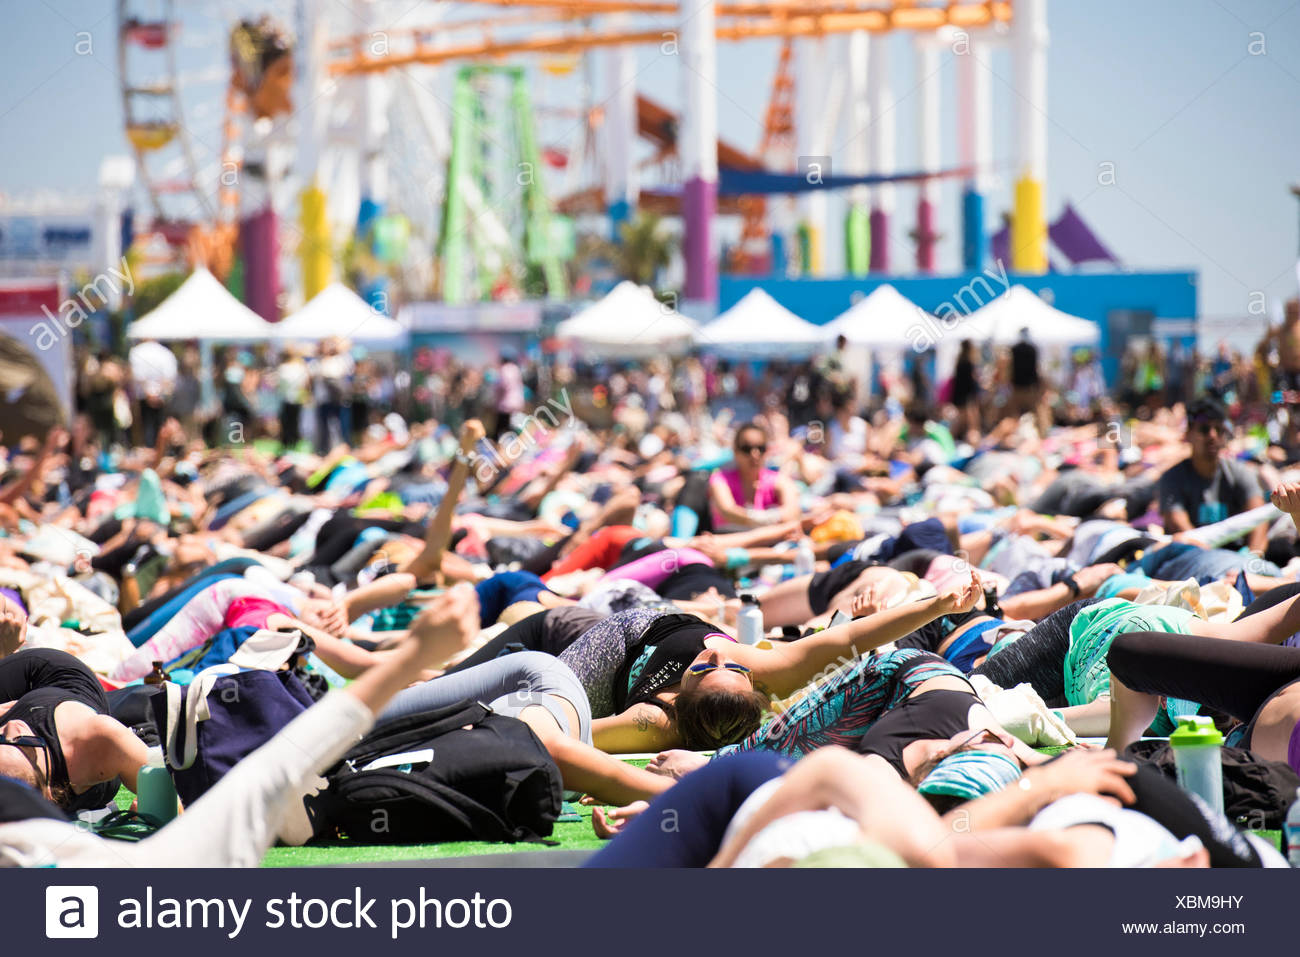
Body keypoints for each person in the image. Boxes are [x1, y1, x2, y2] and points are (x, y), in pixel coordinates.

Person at [1156, 396, 1268, 552]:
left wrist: (1254, 560)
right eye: (1204, 429)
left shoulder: (1241, 473)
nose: (1213, 436)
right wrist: (1213, 559)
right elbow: (1181, 528)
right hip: (1191, 555)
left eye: (1219, 430)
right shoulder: (1172, 478)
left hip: (1235, 555)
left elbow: (1259, 519)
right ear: (1188, 434)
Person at [708, 422, 801, 530]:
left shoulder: (779, 480)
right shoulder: (720, 479)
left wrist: (754, 519)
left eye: (761, 448)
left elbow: (792, 512)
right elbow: (728, 511)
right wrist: (771, 519)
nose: (755, 454)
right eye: (747, 449)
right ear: (735, 451)